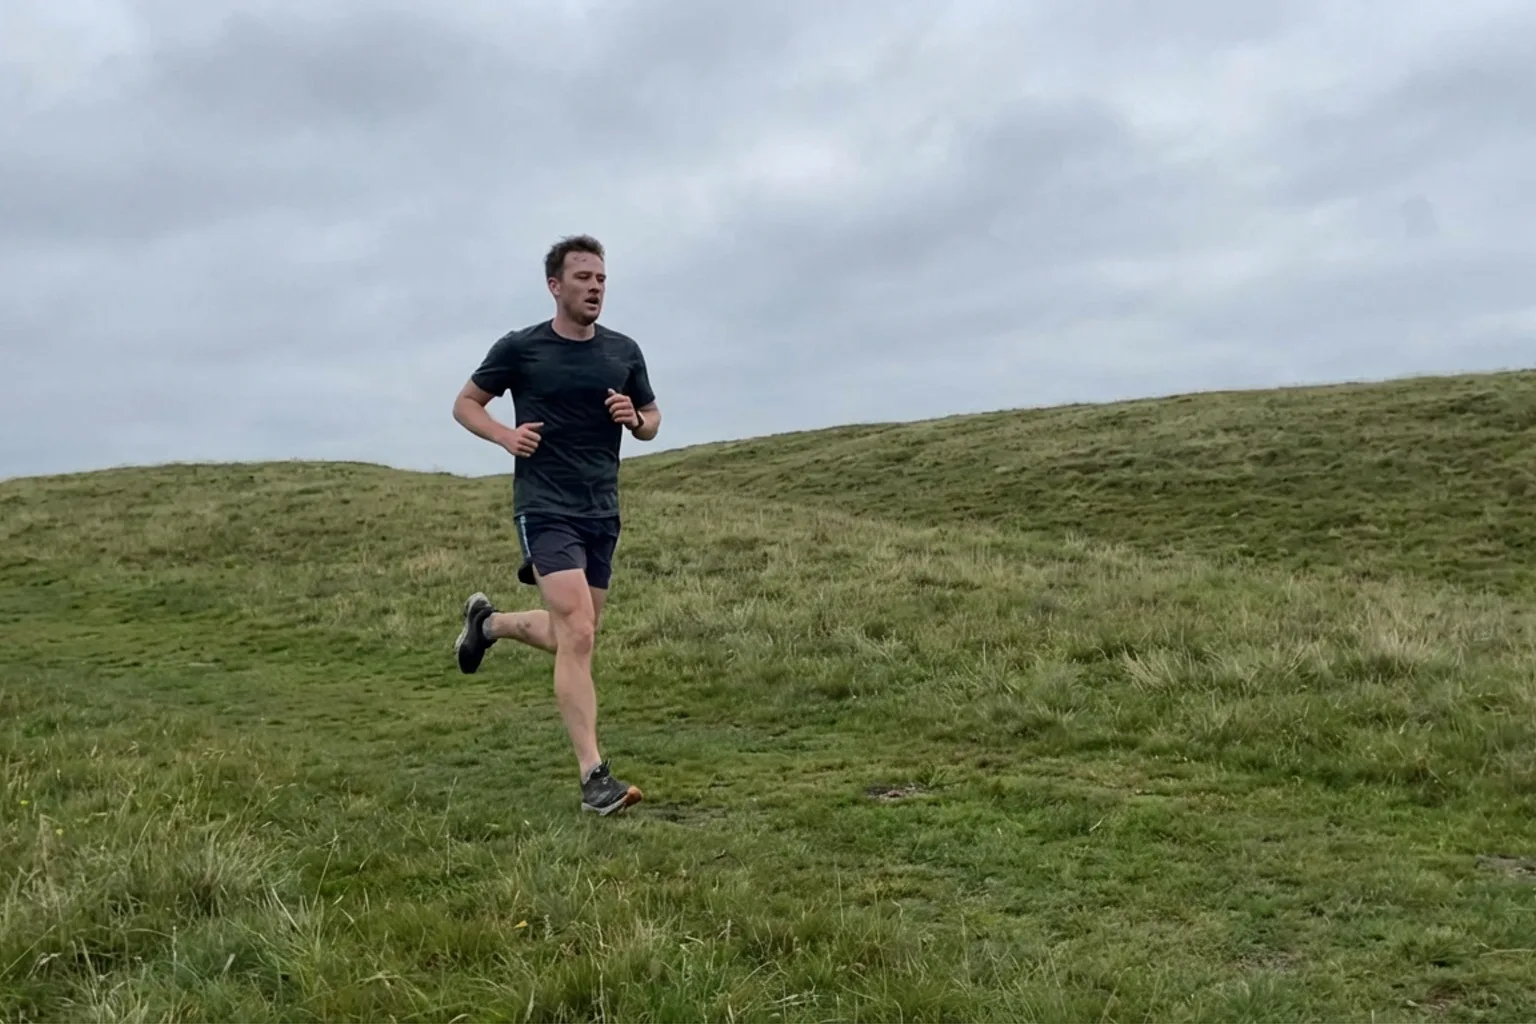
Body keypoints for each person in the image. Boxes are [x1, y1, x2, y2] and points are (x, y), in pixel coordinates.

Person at [449, 234, 661, 816]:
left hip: (602, 508)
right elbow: (466, 403)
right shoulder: (522, 348)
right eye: (583, 278)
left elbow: (653, 419)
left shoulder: (623, 351)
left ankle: (489, 625)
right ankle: (595, 778)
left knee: (577, 632)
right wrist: (505, 436)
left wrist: (636, 419)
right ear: (554, 285)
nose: (595, 288)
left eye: (601, 279)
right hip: (544, 505)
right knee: (579, 632)